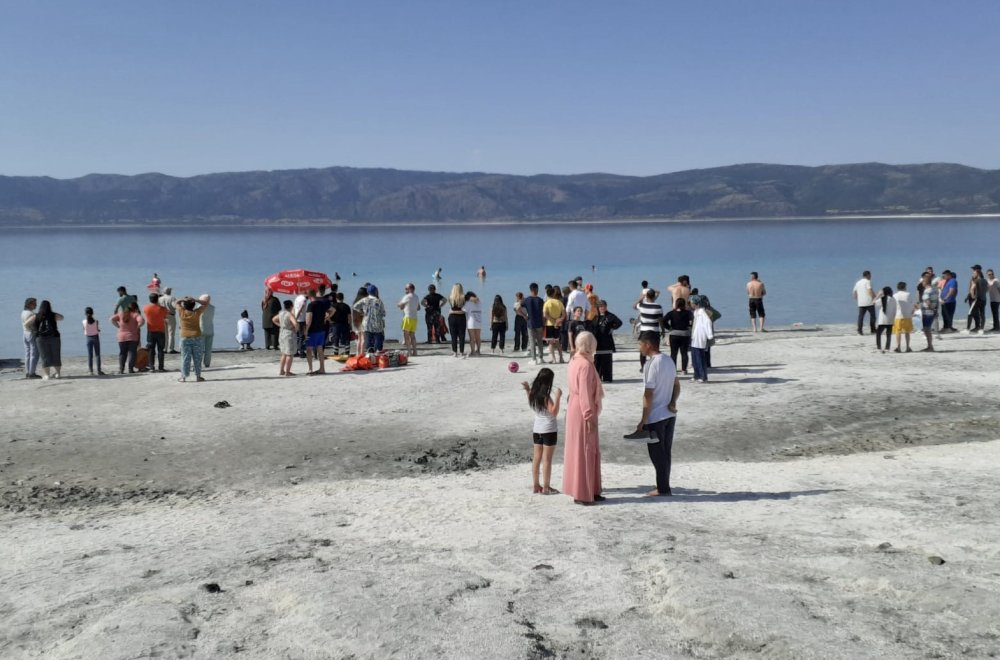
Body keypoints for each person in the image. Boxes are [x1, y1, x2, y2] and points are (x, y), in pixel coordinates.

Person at [624, 331, 681, 496]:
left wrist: (643, 419)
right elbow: (677, 385)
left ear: (648, 344)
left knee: (657, 454)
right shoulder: (669, 360)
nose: (639, 347)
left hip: (656, 416)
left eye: (641, 344)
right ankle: (664, 486)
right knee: (665, 452)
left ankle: (663, 489)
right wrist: (672, 402)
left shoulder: (651, 364)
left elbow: (648, 394)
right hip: (669, 415)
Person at [562, 331, 604, 505]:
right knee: (585, 449)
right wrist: (589, 416)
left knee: (580, 449)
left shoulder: (574, 360)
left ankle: (591, 490)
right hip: (581, 409)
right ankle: (583, 493)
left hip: (573, 406)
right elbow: (585, 392)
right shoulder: (585, 365)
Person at [522, 368, 562, 495]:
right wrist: (558, 398)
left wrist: (528, 389)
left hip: (537, 429)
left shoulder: (533, 393)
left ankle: (535, 485)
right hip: (549, 430)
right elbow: (554, 412)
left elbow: (529, 399)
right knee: (547, 459)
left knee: (536, 458)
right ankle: (546, 487)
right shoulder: (546, 397)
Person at [174, 296, 208, 382]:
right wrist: (195, 299)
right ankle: (198, 376)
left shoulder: (182, 311)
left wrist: (183, 299)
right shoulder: (197, 312)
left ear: (184, 305)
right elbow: (205, 303)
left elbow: (176, 303)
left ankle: (183, 377)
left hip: (185, 337)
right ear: (193, 305)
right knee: (197, 358)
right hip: (197, 336)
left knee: (185, 358)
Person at [590, 300, 622, 383]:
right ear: (598, 307)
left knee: (607, 360)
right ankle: (597, 378)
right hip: (597, 342)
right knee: (597, 361)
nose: (602, 308)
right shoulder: (596, 317)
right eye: (600, 306)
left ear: (606, 307)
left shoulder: (610, 316)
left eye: (603, 306)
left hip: (607, 341)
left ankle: (607, 378)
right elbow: (591, 327)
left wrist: (613, 328)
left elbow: (619, 322)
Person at [111, 301, 145, 374]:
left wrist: (118, 326)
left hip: (121, 337)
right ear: (136, 308)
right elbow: (142, 321)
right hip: (132, 337)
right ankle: (130, 369)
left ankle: (121, 369)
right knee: (132, 353)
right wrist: (137, 327)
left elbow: (112, 319)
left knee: (122, 353)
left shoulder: (121, 314)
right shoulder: (135, 315)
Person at [33, 300, 64, 379]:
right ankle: (58, 374)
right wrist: (52, 314)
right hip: (54, 337)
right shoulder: (53, 315)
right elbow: (62, 317)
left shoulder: (37, 315)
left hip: (41, 338)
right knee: (56, 355)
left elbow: (26, 323)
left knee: (44, 356)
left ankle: (47, 375)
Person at [353, 284, 387, 354]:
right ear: (376, 292)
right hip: (378, 325)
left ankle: (369, 354)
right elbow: (384, 313)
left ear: (368, 292)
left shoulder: (364, 300)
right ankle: (376, 352)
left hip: (367, 324)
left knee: (368, 341)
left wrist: (362, 311)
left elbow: (355, 306)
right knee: (378, 340)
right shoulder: (379, 301)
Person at [635, 288, 663, 371]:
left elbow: (634, 306)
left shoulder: (642, 305)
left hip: (644, 329)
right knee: (655, 349)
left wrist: (641, 297)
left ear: (646, 296)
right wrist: (663, 329)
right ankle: (655, 366)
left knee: (643, 349)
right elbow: (660, 319)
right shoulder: (658, 306)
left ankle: (643, 367)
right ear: (654, 296)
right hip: (655, 329)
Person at [664, 298, 693, 375]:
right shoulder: (688, 313)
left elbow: (663, 320)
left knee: (673, 353)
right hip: (684, 334)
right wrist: (690, 326)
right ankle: (684, 370)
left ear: (676, 304)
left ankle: (673, 369)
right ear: (684, 304)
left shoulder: (671, 313)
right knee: (684, 353)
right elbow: (693, 320)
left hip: (674, 334)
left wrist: (668, 327)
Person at [304, 289, 331, 374]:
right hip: (321, 329)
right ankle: (322, 368)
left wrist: (306, 330)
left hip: (313, 330)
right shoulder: (322, 303)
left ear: (309, 296)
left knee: (309, 349)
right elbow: (332, 310)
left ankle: (310, 369)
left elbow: (309, 318)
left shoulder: (311, 305)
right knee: (320, 349)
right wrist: (326, 318)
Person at [689, 297, 713, 382]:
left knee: (700, 358)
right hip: (695, 337)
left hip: (700, 336)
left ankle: (703, 376)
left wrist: (709, 335)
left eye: (691, 303)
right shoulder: (696, 312)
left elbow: (708, 322)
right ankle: (696, 375)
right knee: (694, 358)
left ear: (696, 304)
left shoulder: (702, 312)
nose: (690, 304)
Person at [143, 293, 168, 371]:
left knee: (151, 349)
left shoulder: (146, 308)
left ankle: (151, 366)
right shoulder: (163, 309)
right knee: (161, 349)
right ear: (158, 299)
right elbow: (165, 316)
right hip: (160, 330)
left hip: (151, 330)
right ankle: (161, 367)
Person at [274, 299, 299, 376]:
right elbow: (296, 324)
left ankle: (281, 371)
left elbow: (274, 319)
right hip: (289, 334)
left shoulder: (281, 313)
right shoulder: (289, 314)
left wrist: (281, 325)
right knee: (289, 354)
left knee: (284, 353)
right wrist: (296, 329)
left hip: (282, 333)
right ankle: (287, 372)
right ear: (291, 306)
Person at [542, 285, 566, 364]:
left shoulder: (547, 303)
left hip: (549, 324)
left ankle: (554, 359)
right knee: (557, 341)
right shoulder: (559, 302)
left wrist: (553, 321)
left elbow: (545, 315)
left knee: (551, 342)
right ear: (554, 293)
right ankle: (561, 358)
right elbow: (563, 314)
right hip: (558, 325)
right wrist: (559, 320)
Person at [523, 283, 545, 365]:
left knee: (532, 341)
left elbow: (517, 308)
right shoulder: (540, 300)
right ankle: (541, 358)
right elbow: (543, 313)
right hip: (539, 322)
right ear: (537, 289)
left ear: (530, 290)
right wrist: (544, 323)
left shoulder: (527, 299)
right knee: (540, 341)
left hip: (530, 323)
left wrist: (524, 315)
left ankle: (534, 359)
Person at [918, 271, 939, 352]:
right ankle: (930, 345)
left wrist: (931, 308)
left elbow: (927, 301)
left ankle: (930, 346)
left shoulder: (927, 291)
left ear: (925, 282)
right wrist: (935, 309)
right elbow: (936, 301)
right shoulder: (934, 289)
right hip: (932, 312)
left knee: (927, 329)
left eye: (922, 281)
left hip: (927, 312)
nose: (922, 283)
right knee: (928, 329)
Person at [398, 282, 420, 357]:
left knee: (406, 335)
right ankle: (415, 351)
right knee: (413, 335)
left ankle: (409, 352)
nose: (405, 290)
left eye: (406, 288)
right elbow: (418, 308)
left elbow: (400, 306)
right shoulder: (416, 297)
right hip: (414, 318)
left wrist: (399, 304)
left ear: (410, 289)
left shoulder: (407, 296)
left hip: (407, 317)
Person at [21, 298, 41, 379]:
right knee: (34, 353)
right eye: (34, 303)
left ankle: (28, 372)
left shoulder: (23, 312)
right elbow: (28, 324)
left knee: (27, 353)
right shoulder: (31, 314)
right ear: (29, 304)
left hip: (25, 333)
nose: (36, 305)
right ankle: (32, 373)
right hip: (31, 333)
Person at [82, 306, 105, 375]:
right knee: (97, 354)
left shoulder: (83, 321)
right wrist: (98, 330)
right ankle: (99, 370)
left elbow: (84, 329)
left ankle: (91, 370)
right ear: (93, 313)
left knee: (90, 355)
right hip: (95, 337)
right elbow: (97, 329)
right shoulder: (96, 321)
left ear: (85, 313)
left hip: (88, 338)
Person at [446, 283, 467, 357]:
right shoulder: (464, 297)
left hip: (452, 317)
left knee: (453, 335)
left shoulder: (450, 297)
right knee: (462, 335)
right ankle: (461, 352)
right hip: (461, 317)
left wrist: (453, 311)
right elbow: (465, 309)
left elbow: (451, 308)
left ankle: (454, 352)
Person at [892, 282, 914, 353]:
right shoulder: (908, 294)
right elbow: (911, 304)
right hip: (907, 315)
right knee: (907, 332)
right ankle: (907, 347)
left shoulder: (895, 295)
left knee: (898, 332)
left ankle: (898, 347)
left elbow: (893, 306)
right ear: (904, 287)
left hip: (898, 315)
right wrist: (912, 312)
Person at [874, 286, 896, 353]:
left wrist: (878, 295)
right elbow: (895, 309)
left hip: (883, 320)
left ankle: (879, 347)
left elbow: (874, 302)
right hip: (890, 319)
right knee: (888, 334)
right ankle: (887, 348)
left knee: (878, 333)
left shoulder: (882, 299)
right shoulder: (893, 299)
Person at [853, 271, 876, 335]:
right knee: (873, 316)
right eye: (870, 275)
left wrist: (857, 299)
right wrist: (875, 297)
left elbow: (854, 292)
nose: (871, 277)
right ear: (868, 275)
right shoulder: (867, 281)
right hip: (869, 302)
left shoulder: (858, 283)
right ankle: (873, 330)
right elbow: (869, 290)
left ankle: (859, 330)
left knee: (861, 317)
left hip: (861, 303)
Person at [967, 266, 987, 334]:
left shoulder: (976, 280)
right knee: (982, 314)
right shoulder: (985, 280)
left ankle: (967, 329)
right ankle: (981, 329)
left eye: (974, 272)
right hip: (983, 299)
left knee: (970, 313)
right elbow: (987, 289)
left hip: (977, 299)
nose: (973, 273)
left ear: (977, 273)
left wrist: (973, 297)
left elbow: (972, 289)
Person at [159, 287, 178, 354]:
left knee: (164, 333)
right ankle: (170, 349)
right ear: (169, 291)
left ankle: (164, 348)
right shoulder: (172, 298)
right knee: (171, 333)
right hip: (170, 315)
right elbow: (175, 306)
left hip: (162, 316)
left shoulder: (160, 299)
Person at [464, 291, 483, 356]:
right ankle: (478, 350)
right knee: (478, 337)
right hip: (479, 321)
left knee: (472, 338)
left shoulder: (468, 303)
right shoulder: (479, 302)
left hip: (471, 322)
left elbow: (464, 310)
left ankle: (473, 351)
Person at [199, 294, 216, 368]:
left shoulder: (199, 307)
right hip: (210, 330)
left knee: (200, 348)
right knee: (208, 349)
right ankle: (207, 363)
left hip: (201, 330)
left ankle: (198, 362)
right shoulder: (212, 308)